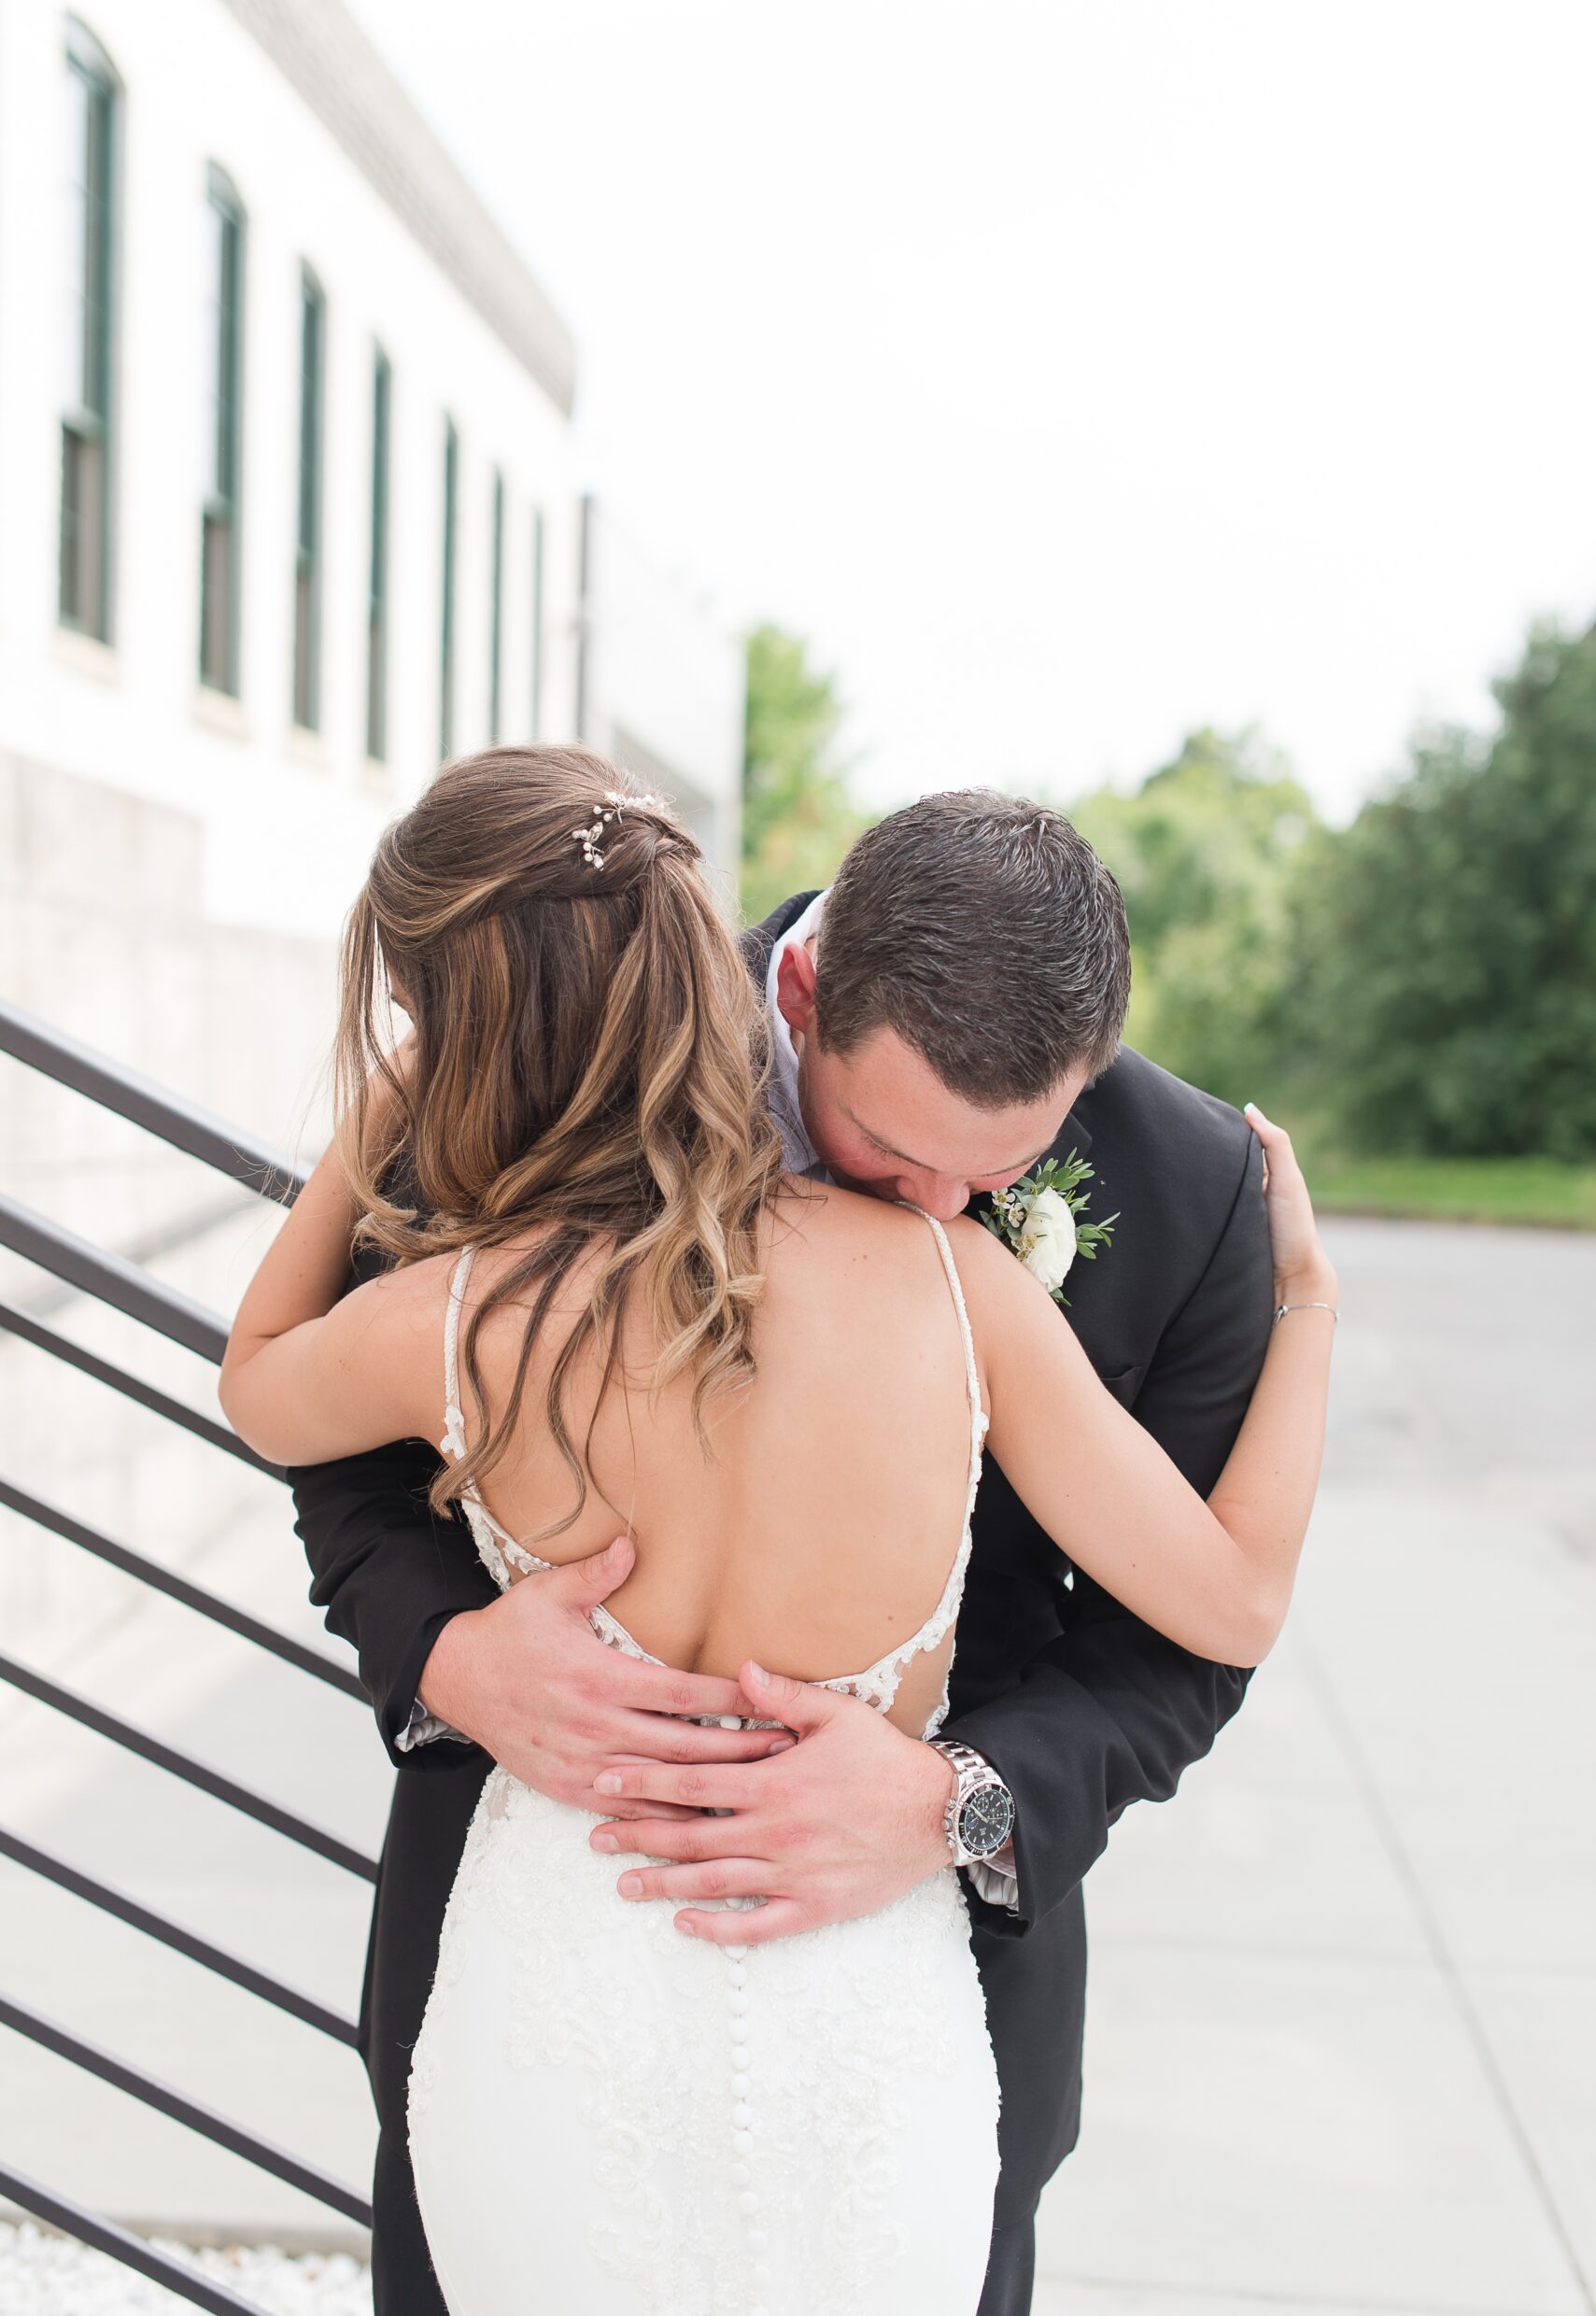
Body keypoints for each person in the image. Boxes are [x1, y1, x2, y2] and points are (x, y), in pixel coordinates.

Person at [233, 747, 1336, 2315]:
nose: (946, 1207)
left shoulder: (1189, 1190)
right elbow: (345, 1480)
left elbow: (1168, 1660)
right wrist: (445, 1653)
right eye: (898, 1153)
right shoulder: (562, 1028)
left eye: (1002, 1170)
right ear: (801, 994)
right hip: (533, 1943)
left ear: (1084, 1071)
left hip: (913, 1975)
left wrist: (956, 1803)